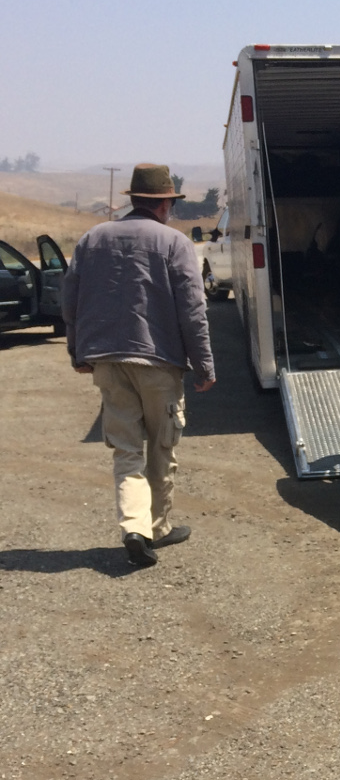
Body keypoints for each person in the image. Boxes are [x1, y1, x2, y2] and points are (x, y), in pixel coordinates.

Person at [63, 163, 216, 568]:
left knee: (126, 448)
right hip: (158, 361)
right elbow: (193, 309)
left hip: (108, 361)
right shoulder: (173, 242)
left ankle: (134, 527)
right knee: (162, 446)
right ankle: (158, 528)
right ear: (165, 203)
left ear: (134, 199)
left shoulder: (92, 239)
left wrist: (78, 352)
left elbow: (71, 300)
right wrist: (203, 365)